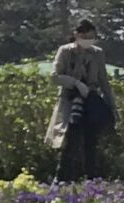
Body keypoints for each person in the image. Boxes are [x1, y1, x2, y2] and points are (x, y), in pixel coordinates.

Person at [48, 18, 117, 180]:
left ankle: (91, 178)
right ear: (76, 35)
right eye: (85, 37)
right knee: (69, 139)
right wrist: (76, 83)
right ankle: (62, 178)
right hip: (70, 99)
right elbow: (54, 76)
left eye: (91, 37)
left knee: (91, 140)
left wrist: (111, 105)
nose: (88, 40)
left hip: (91, 100)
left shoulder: (97, 53)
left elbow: (103, 81)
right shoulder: (66, 51)